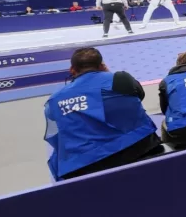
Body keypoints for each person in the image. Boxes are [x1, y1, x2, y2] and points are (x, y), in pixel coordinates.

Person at [43, 47, 158, 181]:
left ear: (72, 70)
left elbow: (54, 136)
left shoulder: (53, 101)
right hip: (135, 148)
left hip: (82, 166)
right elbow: (139, 96)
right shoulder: (120, 78)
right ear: (101, 65)